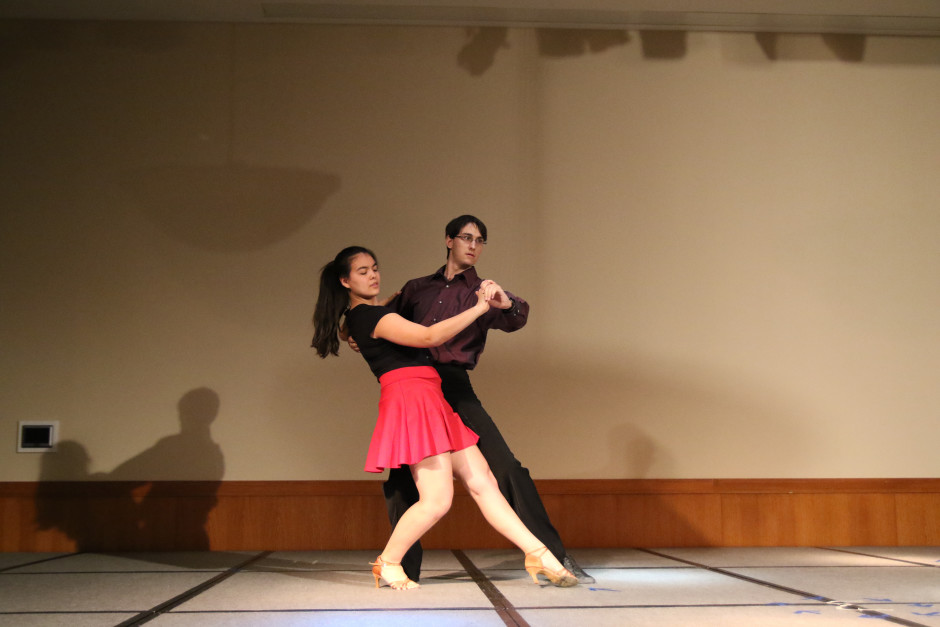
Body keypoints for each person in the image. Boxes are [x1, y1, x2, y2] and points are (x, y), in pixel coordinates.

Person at [312, 245, 578, 590]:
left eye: (375, 267)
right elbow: (428, 336)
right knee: (437, 500)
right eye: (363, 271)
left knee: (483, 480)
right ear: (345, 281)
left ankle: (537, 552)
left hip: (431, 397)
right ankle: (388, 562)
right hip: (412, 401)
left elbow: (356, 329)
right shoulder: (367, 317)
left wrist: (383, 306)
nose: (373, 274)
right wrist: (480, 307)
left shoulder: (367, 317)